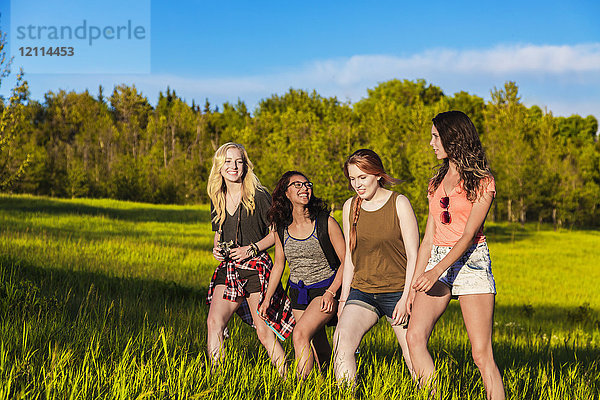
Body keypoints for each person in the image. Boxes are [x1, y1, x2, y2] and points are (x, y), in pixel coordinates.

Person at [406, 111, 505, 399]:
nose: (431, 143)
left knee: (480, 353)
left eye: (436, 137)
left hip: (471, 261)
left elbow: (467, 236)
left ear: (453, 138)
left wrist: (435, 272)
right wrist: (415, 285)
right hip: (436, 259)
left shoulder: (483, 181)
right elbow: (428, 239)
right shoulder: (435, 182)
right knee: (414, 337)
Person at [205, 142, 294, 377]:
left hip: (256, 268)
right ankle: (218, 378)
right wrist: (216, 250)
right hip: (230, 268)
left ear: (245, 165)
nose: (233, 166)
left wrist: (251, 249)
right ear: (219, 167)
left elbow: (277, 234)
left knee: (263, 333)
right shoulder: (217, 197)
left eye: (239, 161)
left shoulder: (260, 195)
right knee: (214, 323)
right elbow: (218, 235)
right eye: (228, 161)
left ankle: (288, 379)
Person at [333, 149, 419, 384]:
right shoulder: (350, 206)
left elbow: (414, 255)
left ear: (377, 174)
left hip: (397, 292)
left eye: (362, 177)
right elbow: (351, 257)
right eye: (352, 179)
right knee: (341, 343)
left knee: (413, 353)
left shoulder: (399, 203)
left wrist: (406, 298)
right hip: (362, 291)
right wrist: (343, 299)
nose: (357, 184)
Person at [259, 171, 345, 379]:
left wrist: (331, 292)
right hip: (298, 293)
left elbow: (347, 261)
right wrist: (268, 298)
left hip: (325, 289)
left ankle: (299, 388)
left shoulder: (326, 222)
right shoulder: (282, 228)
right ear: (286, 194)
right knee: (318, 345)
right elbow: (279, 264)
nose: (304, 188)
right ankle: (327, 383)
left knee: (300, 335)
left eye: (307, 184)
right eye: (297, 185)